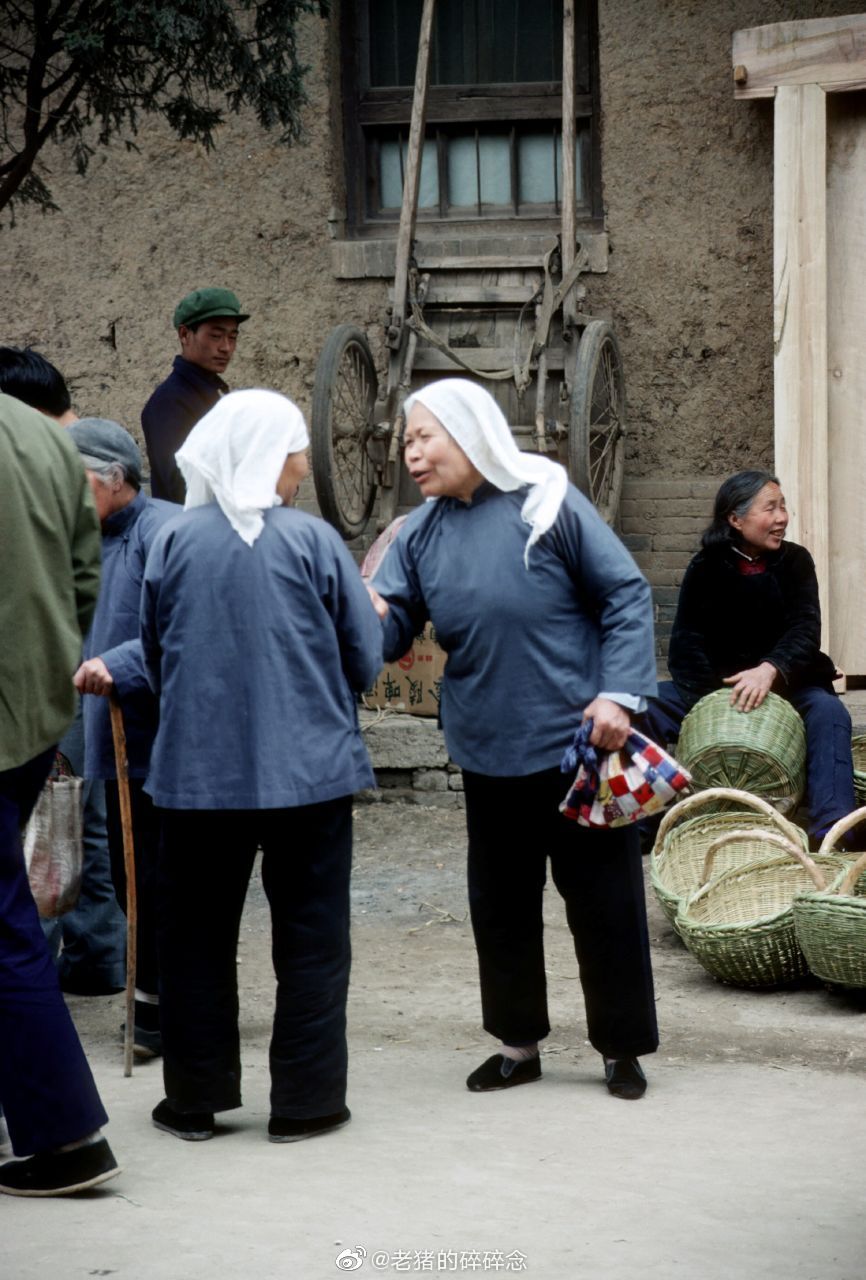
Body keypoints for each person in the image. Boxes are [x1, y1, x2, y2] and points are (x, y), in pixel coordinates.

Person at [369, 378, 659, 1101]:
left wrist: (619, 693)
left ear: (470, 434)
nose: (411, 454)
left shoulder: (549, 501)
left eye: (423, 437)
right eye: (406, 441)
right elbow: (392, 629)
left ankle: (621, 1047)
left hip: (580, 746)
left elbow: (625, 593)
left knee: (605, 903)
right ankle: (517, 1043)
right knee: (500, 905)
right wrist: (365, 610)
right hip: (487, 748)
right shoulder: (419, 533)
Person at [140, 388, 383, 1142]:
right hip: (309, 775)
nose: (304, 465)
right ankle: (306, 1104)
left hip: (197, 778)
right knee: (313, 938)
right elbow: (365, 656)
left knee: (193, 939)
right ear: (268, 455)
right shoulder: (314, 542)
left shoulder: (173, 541)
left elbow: (154, 654)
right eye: (297, 451)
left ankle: (194, 1101)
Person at [0, 391, 120, 1195]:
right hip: (34, 716)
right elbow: (85, 580)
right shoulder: (40, 436)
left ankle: (66, 1135)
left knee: (5, 928)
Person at [0, 346, 127, 999]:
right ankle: (94, 959)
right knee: (77, 818)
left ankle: (59, 965)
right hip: (70, 678)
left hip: (58, 684)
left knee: (60, 826)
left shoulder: (38, 461)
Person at [643, 470, 856, 845]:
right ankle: (643, 826)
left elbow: (805, 630)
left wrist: (770, 670)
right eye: (770, 508)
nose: (782, 518)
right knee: (645, 706)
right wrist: (716, 702)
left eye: (783, 506)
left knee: (829, 712)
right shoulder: (706, 567)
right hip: (719, 690)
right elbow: (687, 642)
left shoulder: (796, 562)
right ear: (735, 519)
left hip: (788, 685)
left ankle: (832, 829)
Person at [69, 419, 178, 1058]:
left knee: (161, 881)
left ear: (115, 478)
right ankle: (149, 1006)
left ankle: (163, 1015)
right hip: (109, 739)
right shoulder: (84, 537)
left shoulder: (164, 531)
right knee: (128, 877)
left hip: (165, 740)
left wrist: (122, 664)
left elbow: (182, 628)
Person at [141, 287, 249, 502]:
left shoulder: (213, 393)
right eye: (216, 336)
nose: (226, 347)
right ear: (184, 334)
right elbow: (183, 487)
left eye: (233, 337)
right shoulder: (170, 402)